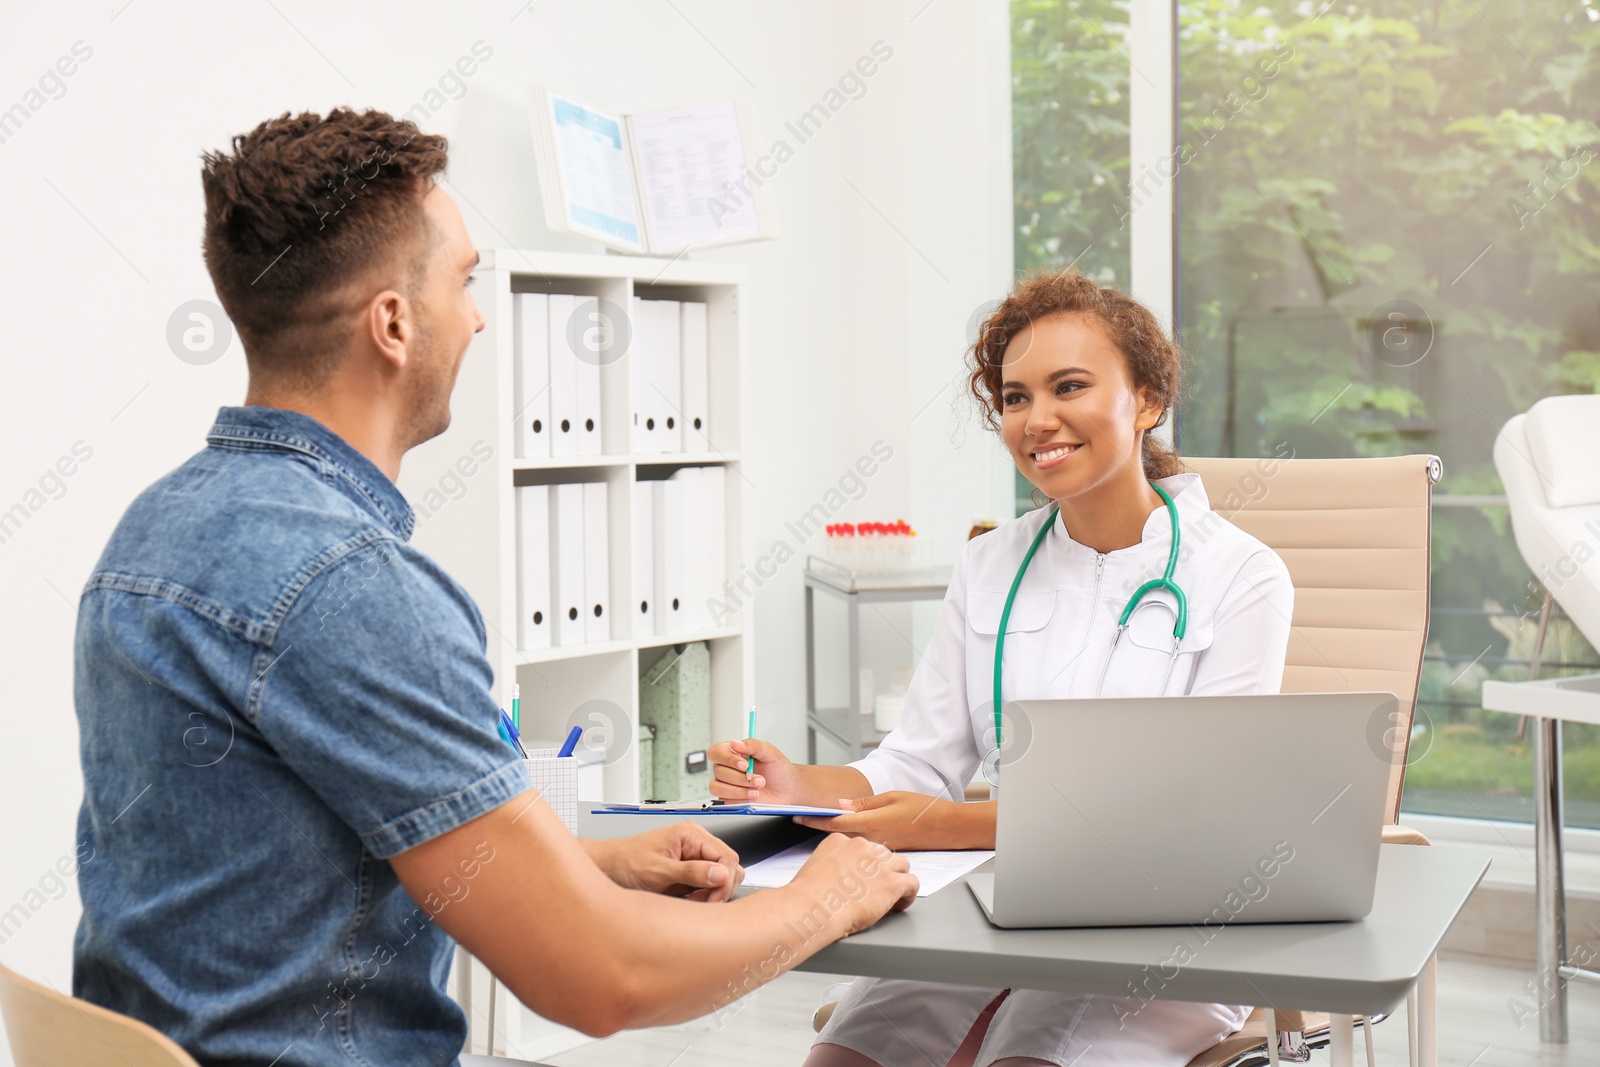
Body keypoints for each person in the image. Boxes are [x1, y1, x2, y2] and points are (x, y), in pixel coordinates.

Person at [71, 107, 917, 1067]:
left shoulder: (154, 530)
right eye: (465, 280)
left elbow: (270, 859)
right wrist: (829, 894)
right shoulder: (353, 587)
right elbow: (605, 980)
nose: (477, 316)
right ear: (393, 323)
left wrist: (588, 864)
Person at [707, 270, 1295, 1067]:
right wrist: (805, 785)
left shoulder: (1241, 575)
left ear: (1148, 400)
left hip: (1159, 931)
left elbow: (1195, 818)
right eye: (1015, 397)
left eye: (1070, 386)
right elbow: (919, 760)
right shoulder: (992, 563)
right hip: (988, 908)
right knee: (845, 1059)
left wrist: (945, 824)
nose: (1036, 419)